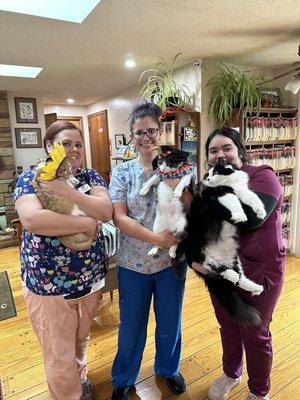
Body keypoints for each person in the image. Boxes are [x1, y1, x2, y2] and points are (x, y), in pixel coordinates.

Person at [14, 120, 113, 400]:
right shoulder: (33, 177)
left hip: (90, 281)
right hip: (49, 286)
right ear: (49, 147)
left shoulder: (91, 176)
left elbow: (105, 211)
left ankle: (79, 381)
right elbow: (33, 219)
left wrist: (67, 191)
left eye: (78, 144)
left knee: (80, 341)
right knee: (59, 353)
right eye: (65, 143)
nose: (73, 149)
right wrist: (83, 224)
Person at [192, 128, 285, 400]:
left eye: (227, 148)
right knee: (229, 326)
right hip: (220, 272)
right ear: (208, 158)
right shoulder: (208, 186)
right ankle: (231, 373)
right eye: (213, 151)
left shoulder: (263, 177)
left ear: (239, 151)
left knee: (255, 332)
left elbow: (251, 219)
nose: (220, 155)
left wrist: (207, 199)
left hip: (259, 273)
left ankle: (259, 391)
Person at [108, 102, 188, 400]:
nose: (145, 137)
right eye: (139, 132)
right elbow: (119, 216)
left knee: (170, 320)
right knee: (131, 325)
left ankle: (168, 368)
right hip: (132, 264)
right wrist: (157, 239)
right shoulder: (123, 172)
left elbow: (190, 204)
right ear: (131, 135)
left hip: (170, 264)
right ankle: (123, 378)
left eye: (151, 131)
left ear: (160, 131)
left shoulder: (178, 166)